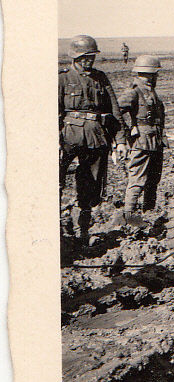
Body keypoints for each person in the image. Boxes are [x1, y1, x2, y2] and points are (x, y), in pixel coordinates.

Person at [59, 35, 122, 245]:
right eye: (85, 57)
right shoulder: (63, 78)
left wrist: (119, 140)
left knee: (92, 185)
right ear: (75, 57)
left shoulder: (101, 78)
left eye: (91, 57)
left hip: (95, 137)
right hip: (69, 137)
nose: (89, 61)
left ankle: (84, 230)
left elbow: (114, 111)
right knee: (56, 183)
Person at [116, 55, 166, 227]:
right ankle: (129, 217)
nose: (151, 78)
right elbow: (116, 113)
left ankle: (148, 215)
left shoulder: (151, 91)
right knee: (137, 179)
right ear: (137, 75)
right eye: (146, 75)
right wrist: (129, 129)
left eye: (153, 74)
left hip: (156, 141)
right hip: (142, 143)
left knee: (153, 179)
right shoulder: (133, 92)